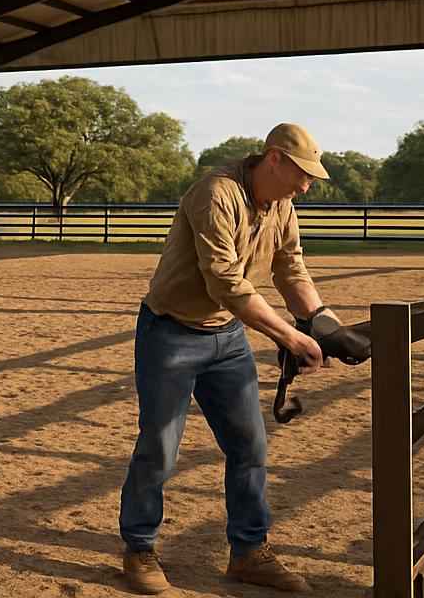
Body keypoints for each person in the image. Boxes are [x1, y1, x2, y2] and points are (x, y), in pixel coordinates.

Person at [118, 123, 360, 595]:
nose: (306, 185)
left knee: (250, 447)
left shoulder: (282, 205)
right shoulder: (216, 194)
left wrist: (326, 324)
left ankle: (249, 552)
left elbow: (291, 269)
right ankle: (139, 548)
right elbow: (226, 283)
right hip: (171, 334)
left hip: (226, 338)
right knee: (160, 447)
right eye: (302, 174)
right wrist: (291, 337)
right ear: (274, 159)